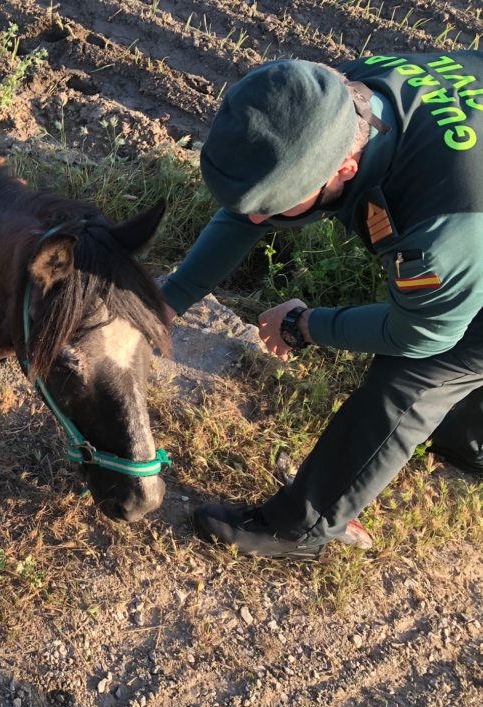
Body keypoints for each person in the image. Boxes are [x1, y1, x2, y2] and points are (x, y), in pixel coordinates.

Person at [161, 51, 483, 560]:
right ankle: (470, 441)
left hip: (468, 223)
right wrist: (169, 299)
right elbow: (248, 212)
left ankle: (300, 528)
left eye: (277, 206)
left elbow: (421, 334)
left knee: (419, 376)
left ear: (346, 167)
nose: (261, 220)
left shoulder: (436, 234)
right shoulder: (329, 100)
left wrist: (305, 324)